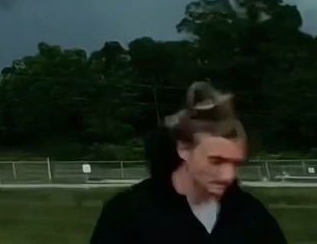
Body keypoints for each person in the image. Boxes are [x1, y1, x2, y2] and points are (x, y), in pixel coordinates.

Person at [89, 81, 288, 243]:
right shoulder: (127, 216)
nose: (229, 175)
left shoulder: (252, 216)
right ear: (183, 148)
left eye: (235, 163)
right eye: (216, 161)